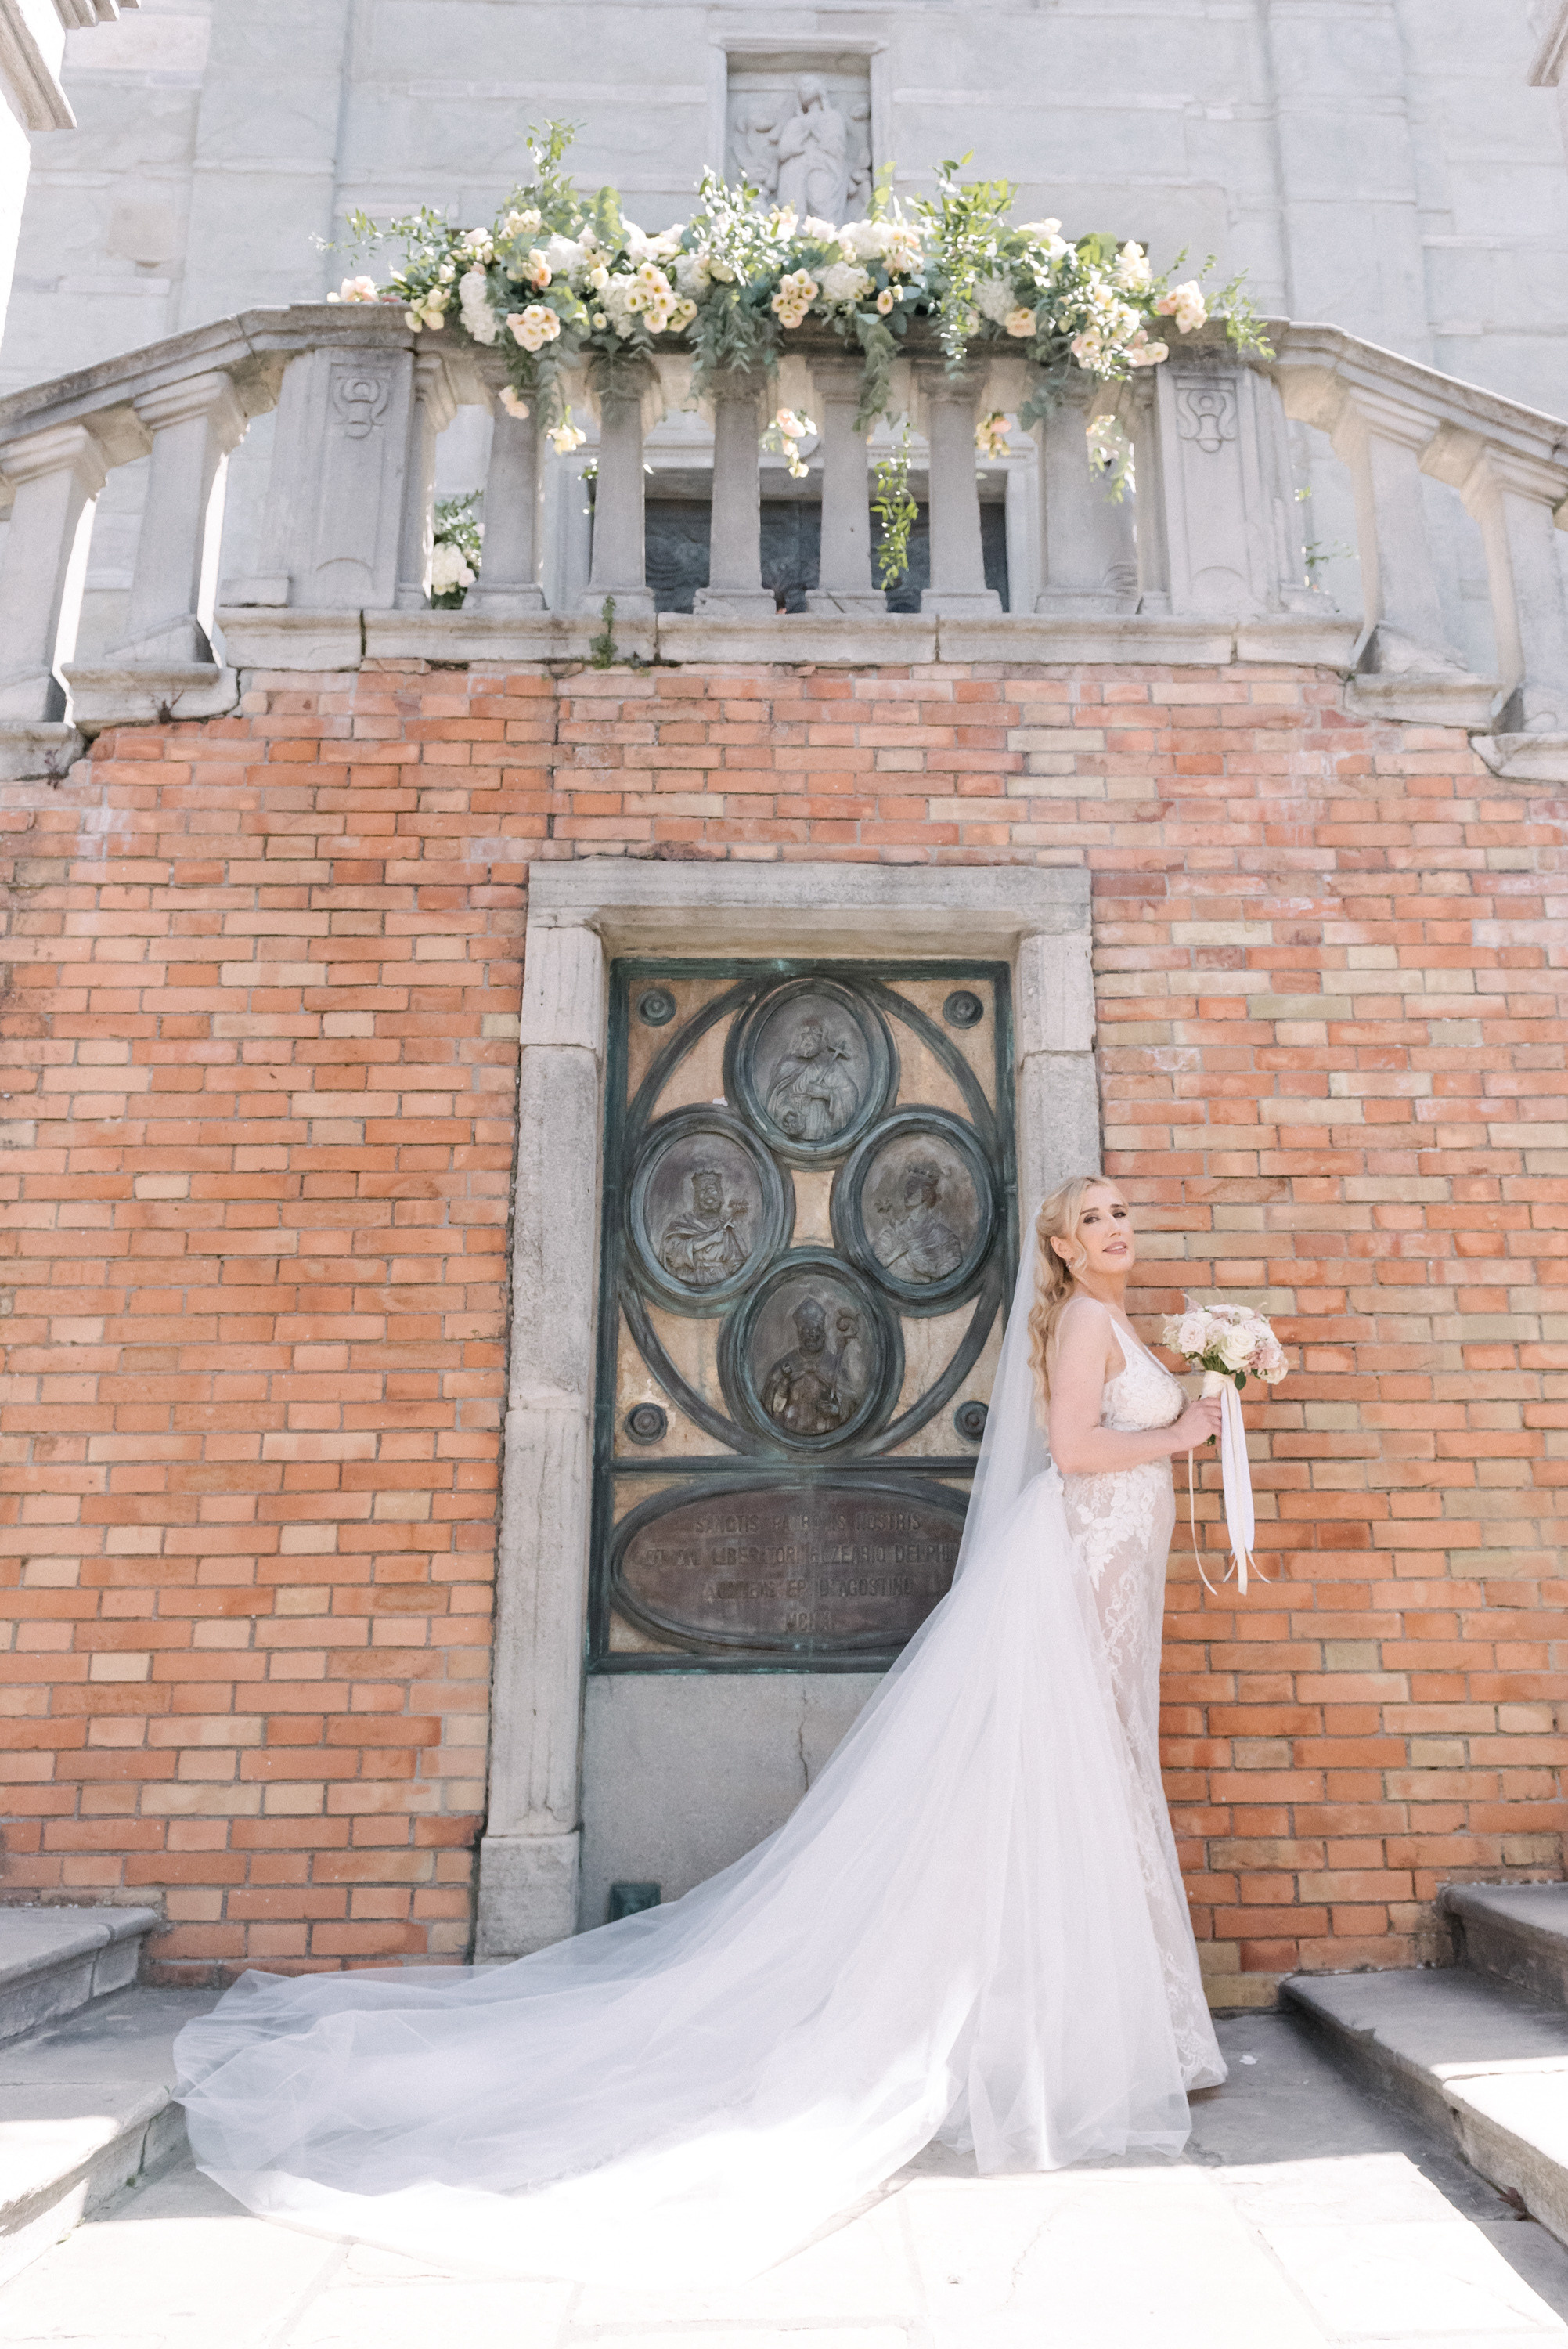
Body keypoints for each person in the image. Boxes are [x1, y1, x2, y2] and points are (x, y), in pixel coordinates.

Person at [174, 1175, 1226, 2289]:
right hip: (1073, 1582)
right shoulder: (1082, 1328)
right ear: (1062, 1248)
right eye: (1096, 1218)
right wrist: (1189, 1428)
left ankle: (1107, 2032)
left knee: (1089, 1789)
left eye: (1124, 1214)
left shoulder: (1114, 1324)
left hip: (1110, 1581)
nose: (1117, 1229)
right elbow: (1069, 1456)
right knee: (1068, 1787)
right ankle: (1062, 2044)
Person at [760, 1295, 852, 1434]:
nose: (812, 1334)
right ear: (799, 1333)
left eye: (816, 1330)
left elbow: (850, 1403)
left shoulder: (835, 1365)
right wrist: (785, 1381)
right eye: (807, 1330)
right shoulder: (785, 1364)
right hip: (789, 1436)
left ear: (823, 1333)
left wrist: (836, 1409)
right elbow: (770, 1407)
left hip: (828, 1436)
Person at [658, 1165, 750, 1288]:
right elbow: (673, 1256)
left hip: (722, 1285)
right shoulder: (683, 1224)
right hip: (689, 1285)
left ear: (721, 1195)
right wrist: (708, 1240)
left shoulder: (728, 1227)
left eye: (713, 1190)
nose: (708, 1194)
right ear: (695, 1197)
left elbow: (737, 1264)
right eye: (703, 1191)